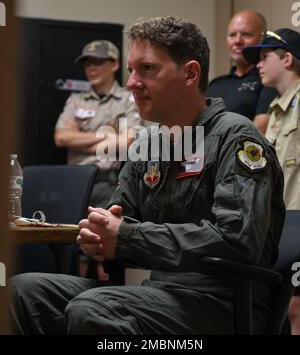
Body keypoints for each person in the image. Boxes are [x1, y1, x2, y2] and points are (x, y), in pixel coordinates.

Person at [9, 17, 285, 335]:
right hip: (161, 295)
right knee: (21, 291)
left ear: (190, 74)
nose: (132, 82)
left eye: (148, 69)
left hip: (225, 304)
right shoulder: (148, 144)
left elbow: (238, 242)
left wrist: (126, 237)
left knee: (95, 309)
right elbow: (118, 217)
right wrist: (97, 237)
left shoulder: (235, 137)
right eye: (131, 70)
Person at [243, 28, 300, 335]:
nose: (258, 65)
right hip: (284, 221)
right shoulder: (277, 110)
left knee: (294, 307)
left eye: (265, 57)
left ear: (287, 58)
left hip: (299, 220)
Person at [54, 39, 142, 207]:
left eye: (98, 62)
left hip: (109, 183)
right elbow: (61, 137)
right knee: (68, 230)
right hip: (75, 181)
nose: (91, 68)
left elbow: (128, 141)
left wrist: (80, 142)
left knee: (103, 231)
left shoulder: (128, 100)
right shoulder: (76, 99)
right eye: (87, 63)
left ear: (114, 64)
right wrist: (106, 136)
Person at [208, 10, 277, 134]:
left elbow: (259, 129)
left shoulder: (268, 80)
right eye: (232, 35)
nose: (237, 41)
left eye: (246, 34)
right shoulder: (215, 84)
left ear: (263, 38)